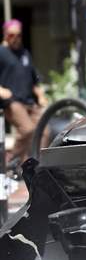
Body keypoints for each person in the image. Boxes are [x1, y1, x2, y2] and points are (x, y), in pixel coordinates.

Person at [0, 19, 49, 165]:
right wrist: (1, 90)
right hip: (12, 102)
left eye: (18, 35)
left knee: (45, 131)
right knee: (28, 129)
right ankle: (13, 162)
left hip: (30, 102)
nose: (15, 38)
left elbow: (34, 79)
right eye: (11, 35)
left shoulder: (25, 53)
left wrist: (40, 95)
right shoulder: (1, 52)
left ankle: (38, 165)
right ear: (5, 35)